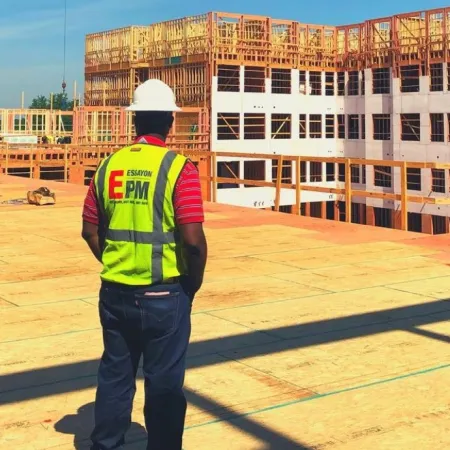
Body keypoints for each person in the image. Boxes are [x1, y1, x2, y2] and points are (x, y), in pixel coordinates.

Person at [81, 79, 208, 450]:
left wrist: (117, 261)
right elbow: (193, 241)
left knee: (115, 376)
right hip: (165, 294)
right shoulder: (178, 168)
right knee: (164, 385)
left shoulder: (109, 165)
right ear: (171, 120)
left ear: (133, 121)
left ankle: (105, 444)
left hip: (115, 292)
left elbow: (90, 230)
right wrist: (191, 284)